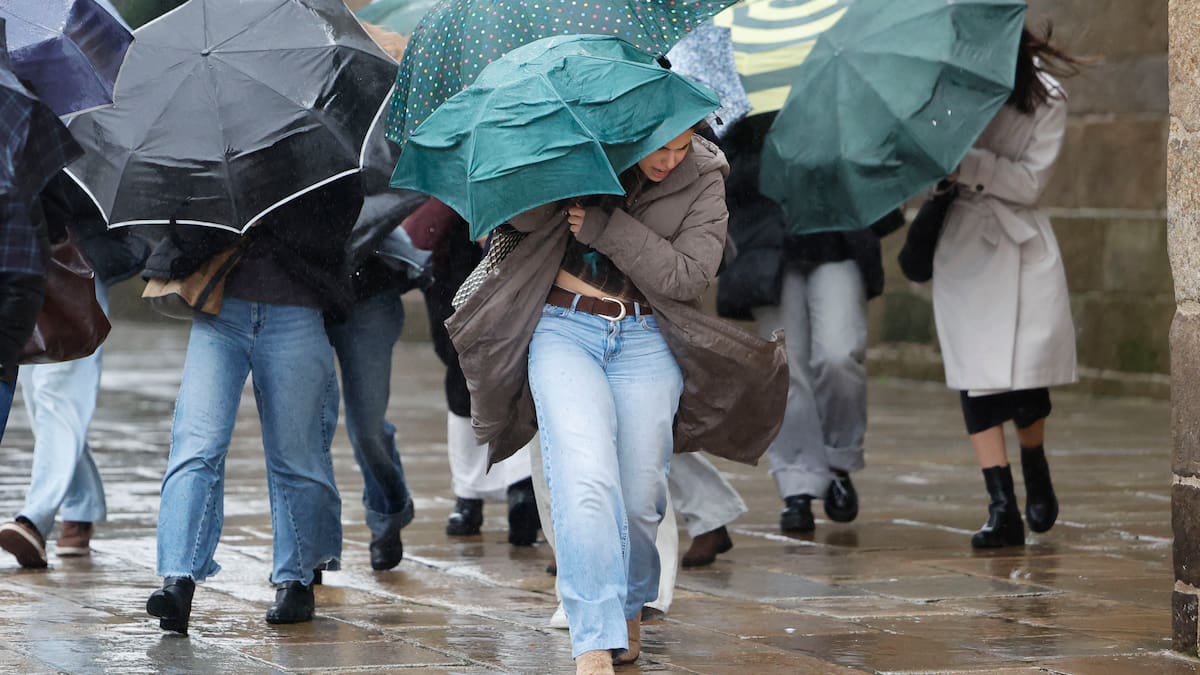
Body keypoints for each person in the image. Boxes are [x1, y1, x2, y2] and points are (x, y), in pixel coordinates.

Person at [446, 123, 786, 675]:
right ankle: (593, 638)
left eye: (683, 147)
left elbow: (688, 276)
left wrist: (607, 227)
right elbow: (517, 221)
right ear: (632, 129)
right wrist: (557, 169)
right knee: (583, 480)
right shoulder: (581, 148)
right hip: (562, 330)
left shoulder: (705, 176)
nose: (671, 160)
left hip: (647, 337)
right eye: (661, 147)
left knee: (639, 495)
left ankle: (629, 603)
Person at [144, 181, 358, 634]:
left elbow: (339, 223)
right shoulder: (209, 137)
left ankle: (296, 578)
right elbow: (178, 222)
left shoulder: (318, 142)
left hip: (296, 310)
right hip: (219, 312)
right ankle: (177, 580)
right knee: (195, 441)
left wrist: (270, 215)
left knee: (294, 454)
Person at [718, 113, 904, 534]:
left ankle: (840, 461)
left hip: (837, 238)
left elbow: (882, 177)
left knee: (840, 353)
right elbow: (725, 175)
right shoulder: (742, 102)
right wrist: (775, 160)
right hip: (768, 247)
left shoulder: (844, 97)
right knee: (787, 370)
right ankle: (797, 484)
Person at [931, 26, 1079, 548]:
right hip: (965, 243)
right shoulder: (949, 89)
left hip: (1020, 244)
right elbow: (928, 166)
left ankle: (1035, 466)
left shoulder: (1047, 95)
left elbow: (1031, 183)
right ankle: (1002, 507)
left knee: (1026, 378)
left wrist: (966, 163)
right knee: (975, 376)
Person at [0, 173, 150, 568]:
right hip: (21, 262)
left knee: (55, 394)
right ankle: (82, 504)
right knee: (41, 396)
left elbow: (99, 197)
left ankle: (35, 519)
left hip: (73, 259)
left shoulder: (82, 128)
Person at [402, 198, 539, 546]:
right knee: (461, 367)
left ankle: (522, 486)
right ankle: (470, 491)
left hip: (517, 230)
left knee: (517, 364)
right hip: (450, 241)